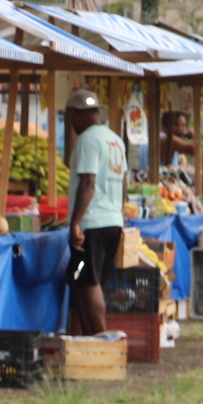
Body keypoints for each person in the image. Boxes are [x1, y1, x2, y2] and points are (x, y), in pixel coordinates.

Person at [63, 89, 128, 336]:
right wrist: (119, 210)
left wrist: (75, 224)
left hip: (92, 224)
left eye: (69, 116)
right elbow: (123, 181)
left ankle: (103, 339)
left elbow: (87, 183)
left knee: (89, 281)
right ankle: (92, 337)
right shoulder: (115, 140)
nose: (70, 122)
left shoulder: (87, 140)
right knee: (78, 277)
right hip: (112, 220)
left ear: (75, 114)